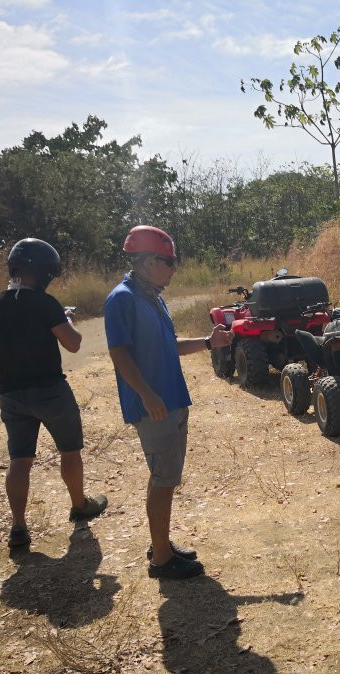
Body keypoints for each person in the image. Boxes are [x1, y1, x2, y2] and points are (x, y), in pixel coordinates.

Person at [104, 225, 234, 580]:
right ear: (146, 262)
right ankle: (161, 560)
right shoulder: (123, 298)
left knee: (165, 477)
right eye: (168, 262)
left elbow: (170, 344)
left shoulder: (153, 297)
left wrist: (209, 343)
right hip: (154, 406)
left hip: (172, 400)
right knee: (164, 479)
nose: (173, 269)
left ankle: (160, 543)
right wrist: (146, 393)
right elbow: (118, 352)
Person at [0, 238, 108, 550]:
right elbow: (73, 343)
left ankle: (18, 526)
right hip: (51, 391)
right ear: (45, 272)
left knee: (19, 460)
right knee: (70, 451)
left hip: (11, 394)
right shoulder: (45, 303)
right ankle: (79, 505)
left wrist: (6, 387)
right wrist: (67, 319)